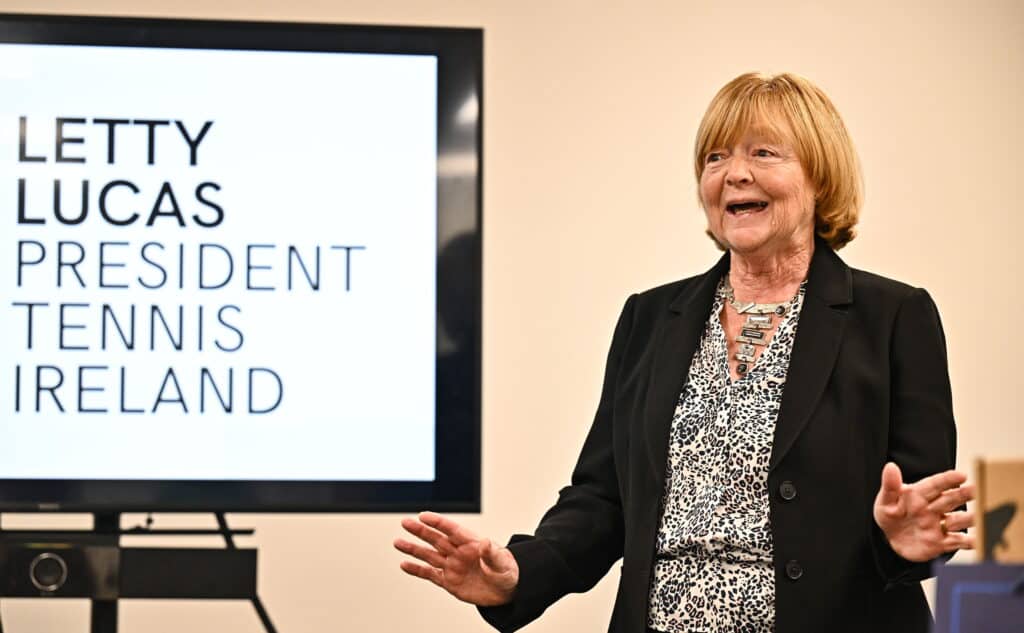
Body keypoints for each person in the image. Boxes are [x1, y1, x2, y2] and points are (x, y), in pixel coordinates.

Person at [394, 72, 976, 633]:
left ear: (820, 177)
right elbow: (603, 498)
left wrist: (902, 540)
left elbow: (919, 508)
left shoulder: (894, 317)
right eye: (715, 158)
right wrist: (521, 573)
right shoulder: (650, 318)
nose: (733, 174)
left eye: (764, 153)